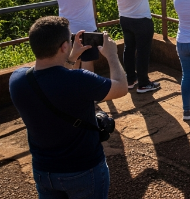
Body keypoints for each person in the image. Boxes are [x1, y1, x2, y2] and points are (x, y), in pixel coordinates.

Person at [9, 16, 128, 199]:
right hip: (83, 170)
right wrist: (112, 55)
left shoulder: (17, 80)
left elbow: (53, 78)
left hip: (43, 170)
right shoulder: (80, 80)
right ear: (64, 46)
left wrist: (72, 57)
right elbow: (120, 87)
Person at [111, 0, 162, 93]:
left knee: (129, 49)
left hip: (125, 19)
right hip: (142, 21)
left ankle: (130, 79)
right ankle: (144, 83)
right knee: (142, 52)